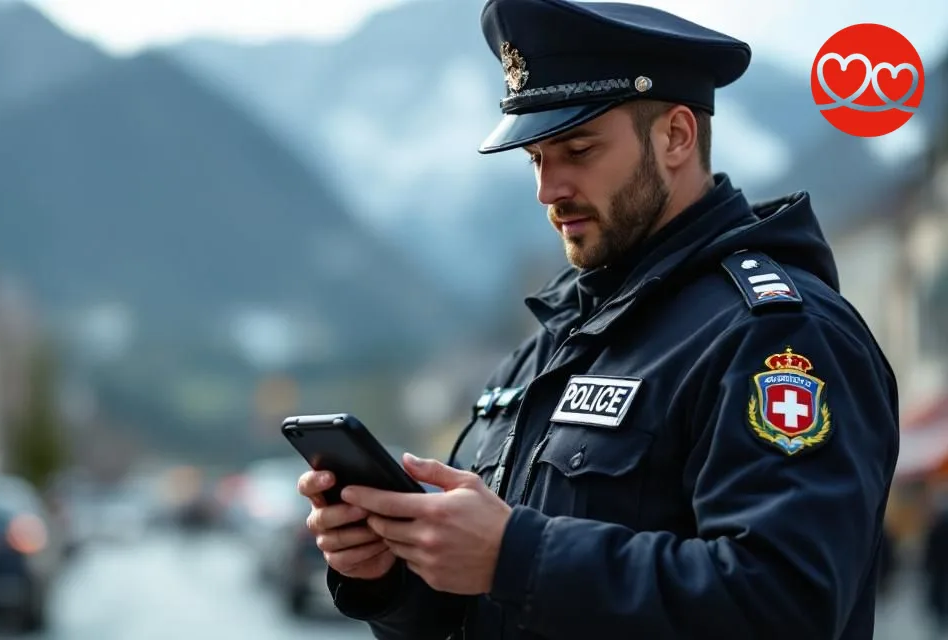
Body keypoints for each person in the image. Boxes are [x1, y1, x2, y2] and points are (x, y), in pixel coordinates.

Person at [295, 0, 900, 638]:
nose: (547, 189)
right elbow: (478, 609)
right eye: (535, 159)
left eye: (577, 149)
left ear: (675, 136)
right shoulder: (545, 350)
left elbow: (786, 605)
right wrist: (391, 573)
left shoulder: (778, 335)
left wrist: (514, 555)